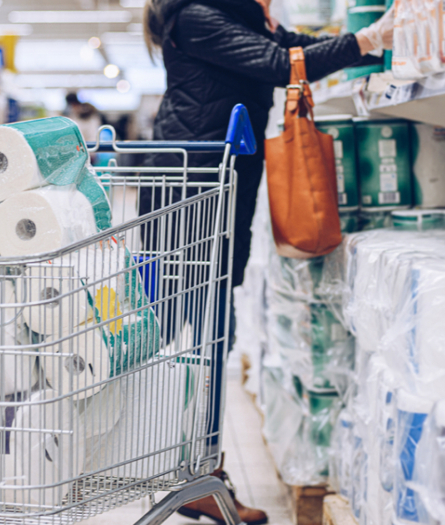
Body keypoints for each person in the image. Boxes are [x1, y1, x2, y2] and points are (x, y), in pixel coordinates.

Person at [142, 1, 393, 523]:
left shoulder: (233, 17)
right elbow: (282, 65)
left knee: (209, 338)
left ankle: (199, 474)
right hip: (191, 197)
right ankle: (186, 470)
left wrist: (372, 39)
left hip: (217, 191)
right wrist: (369, 39)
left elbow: (293, 49)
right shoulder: (196, 16)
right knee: (192, 338)